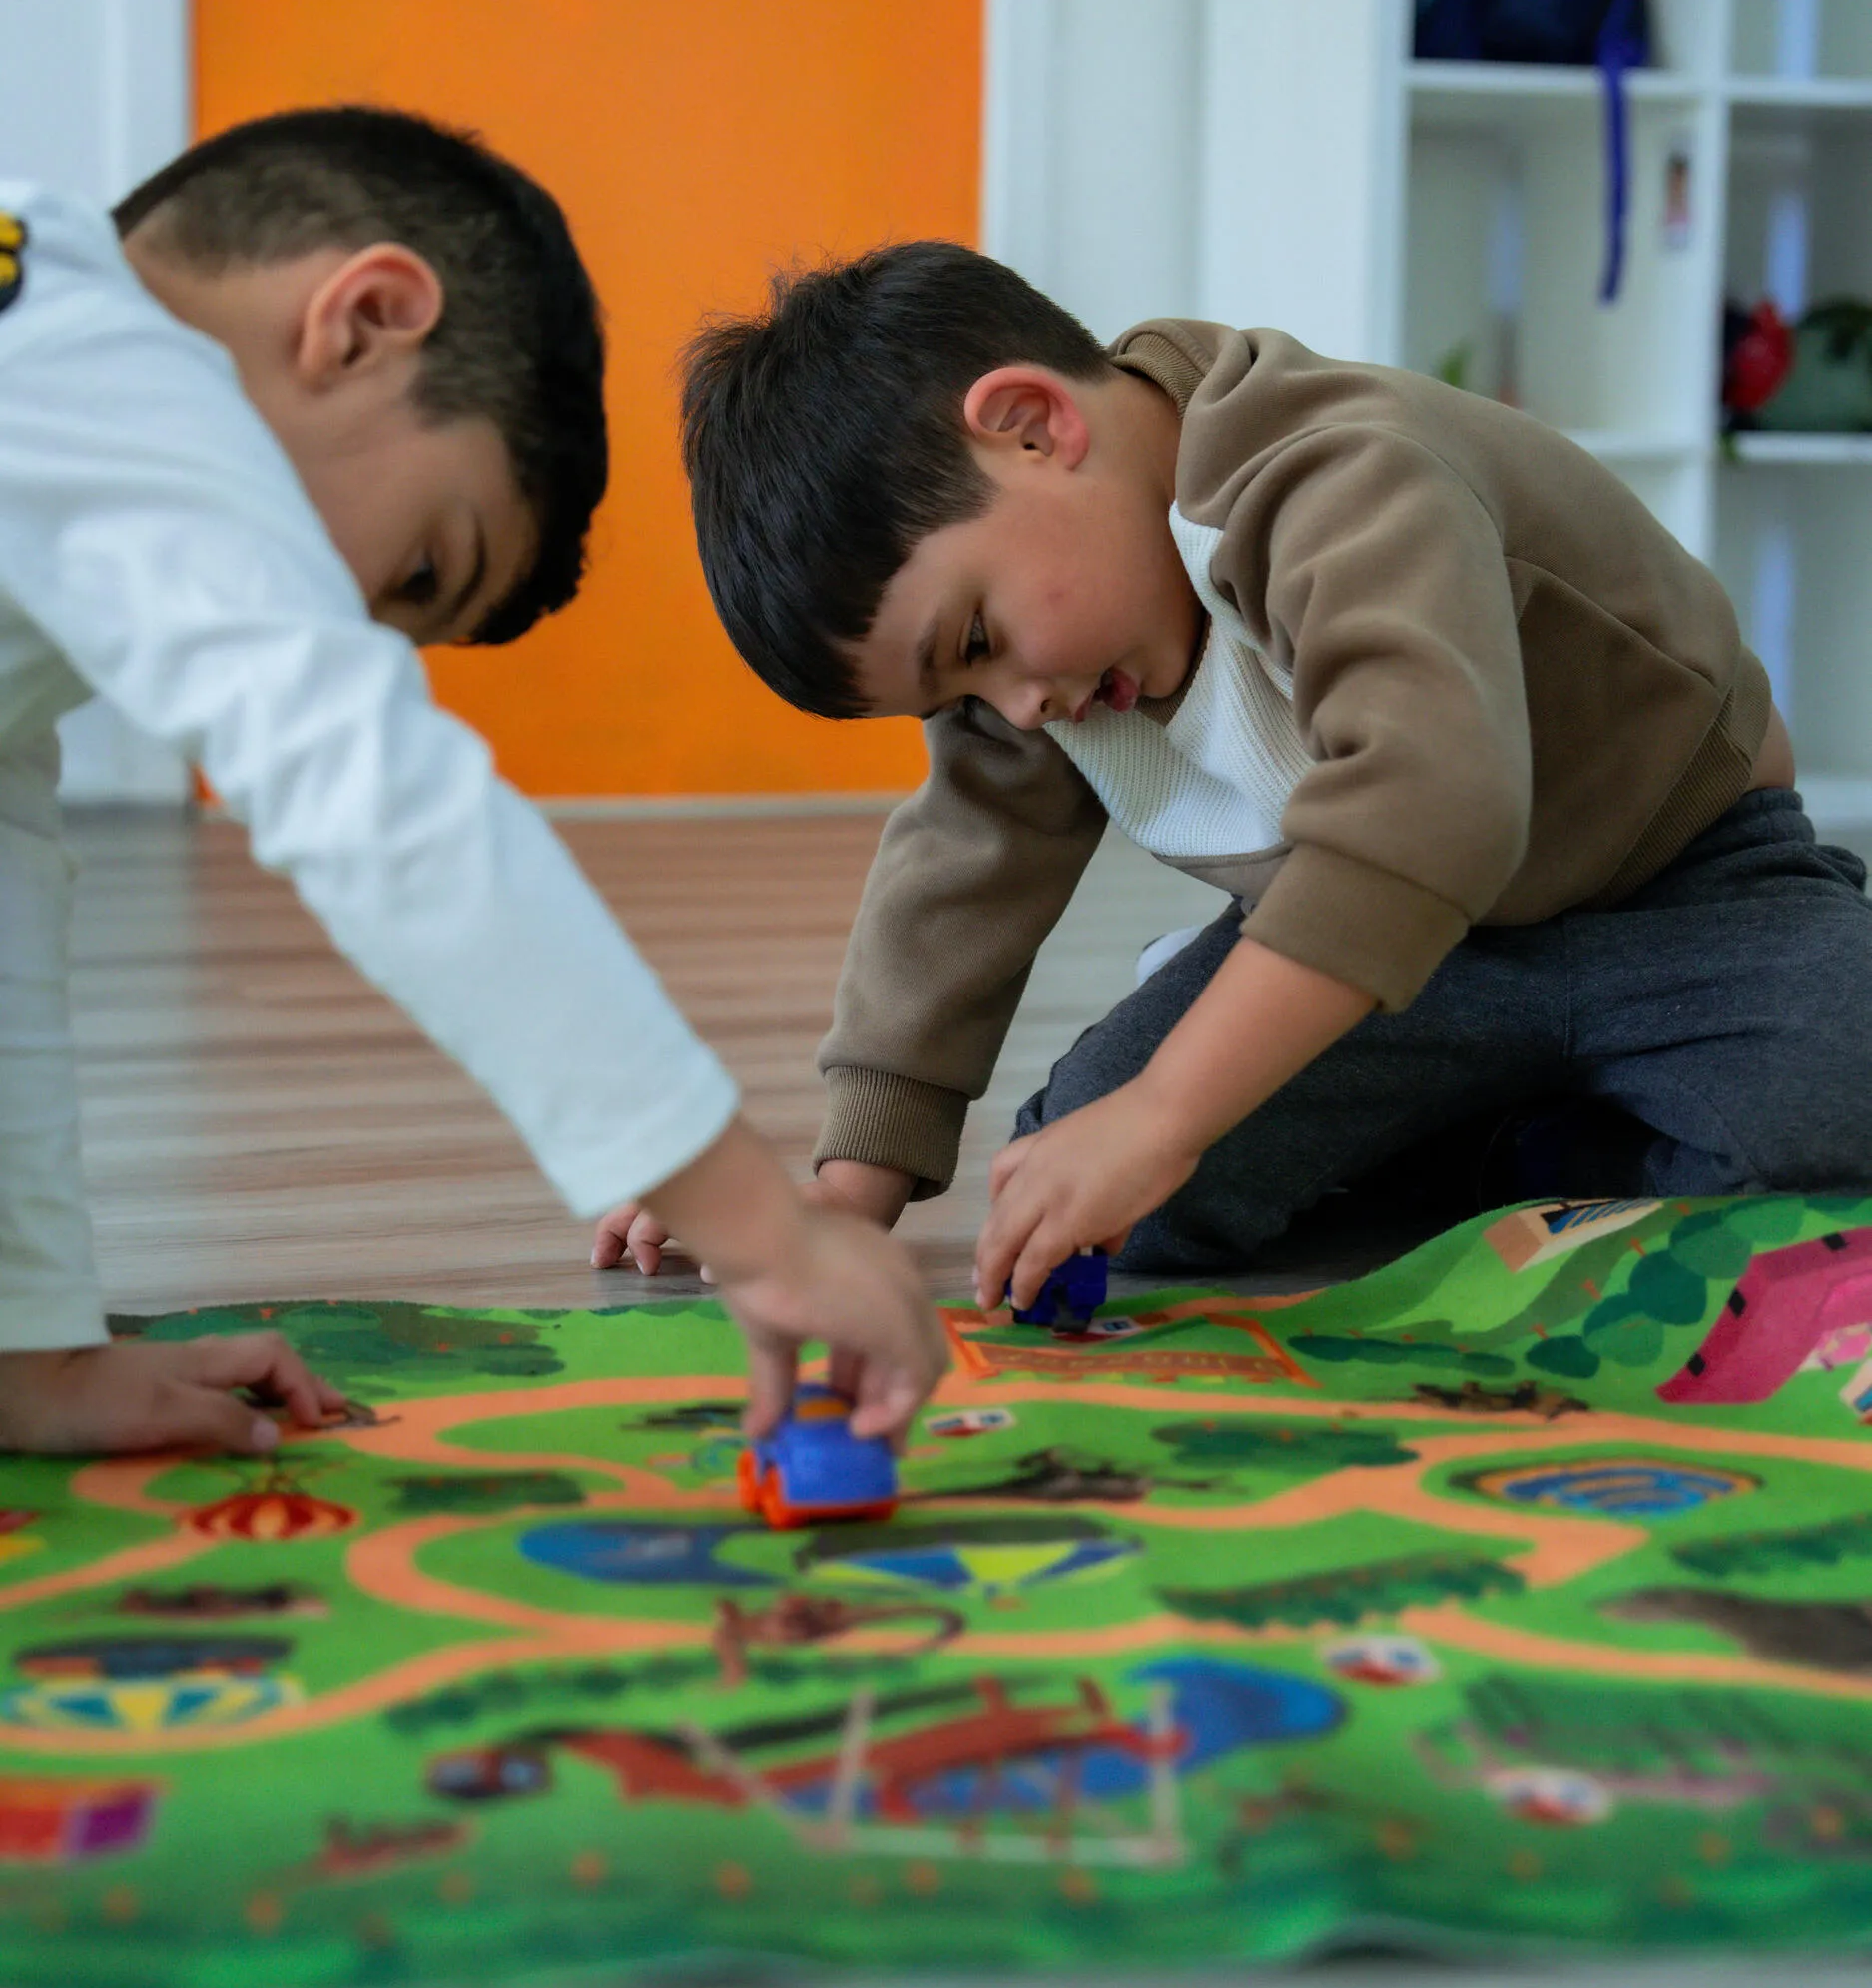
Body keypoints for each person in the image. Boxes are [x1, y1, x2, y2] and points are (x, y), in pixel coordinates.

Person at [602, 238, 1872, 1308]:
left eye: (977, 646)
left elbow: (1437, 803)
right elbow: (959, 882)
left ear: (1036, 427)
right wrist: (842, 1196)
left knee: (1834, 1087)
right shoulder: (1041, 670)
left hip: (1686, 888)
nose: (1017, 706)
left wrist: (1170, 1115)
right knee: (1082, 1170)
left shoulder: (1338, 473)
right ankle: (1534, 1125)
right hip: (1400, 960)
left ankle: (1520, 1115)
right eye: (960, 696)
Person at [0, 111, 944, 1458]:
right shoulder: (108, 372)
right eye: (419, 572)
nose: (353, 642)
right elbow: (384, 800)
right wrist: (758, 1224)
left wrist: (29, 1357)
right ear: (366, 319)